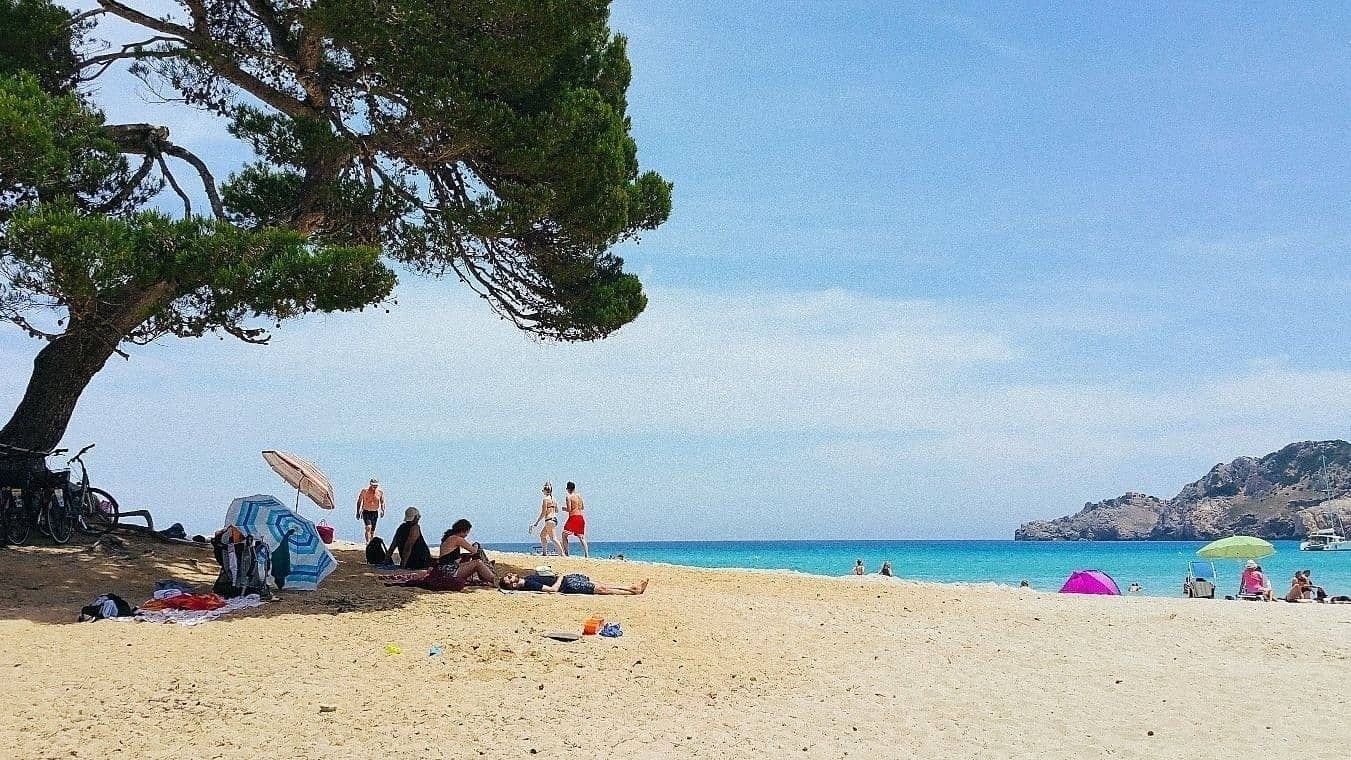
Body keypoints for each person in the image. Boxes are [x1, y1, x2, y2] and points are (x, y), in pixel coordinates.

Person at [437, 518, 496, 586]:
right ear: (463, 530)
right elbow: (474, 550)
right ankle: (494, 579)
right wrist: (476, 544)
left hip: (445, 568)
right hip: (449, 571)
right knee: (478, 562)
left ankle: (489, 576)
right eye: (467, 532)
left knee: (472, 562)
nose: (467, 535)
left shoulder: (449, 538)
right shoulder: (457, 539)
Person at [499, 572, 647, 595]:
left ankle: (631, 587)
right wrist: (560, 577)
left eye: (508, 575)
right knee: (601, 589)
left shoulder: (527, 578)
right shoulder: (529, 584)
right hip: (568, 585)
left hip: (567, 579)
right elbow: (552, 590)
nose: (510, 575)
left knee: (600, 584)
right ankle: (633, 590)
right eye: (509, 578)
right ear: (513, 585)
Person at [530, 482, 564, 556]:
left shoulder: (545, 499)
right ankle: (544, 553)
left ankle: (562, 553)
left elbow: (543, 512)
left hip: (549, 520)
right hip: (554, 520)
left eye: (543, 491)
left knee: (553, 538)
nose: (543, 492)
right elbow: (557, 510)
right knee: (542, 535)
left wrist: (537, 522)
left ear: (546, 491)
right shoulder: (554, 499)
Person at [561, 481, 589, 558]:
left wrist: (563, 509)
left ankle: (567, 553)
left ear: (568, 489)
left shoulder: (568, 497)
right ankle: (586, 554)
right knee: (581, 537)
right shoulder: (579, 496)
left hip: (573, 517)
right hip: (580, 517)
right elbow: (582, 507)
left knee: (564, 535)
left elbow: (569, 509)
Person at [355, 478, 385, 544]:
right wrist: (358, 512)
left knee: (372, 530)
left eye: (376, 485)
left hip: (375, 512)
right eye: (373, 485)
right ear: (370, 484)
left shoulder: (380, 492)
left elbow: (382, 502)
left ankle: (371, 543)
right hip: (366, 511)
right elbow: (359, 501)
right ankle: (367, 542)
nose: (375, 486)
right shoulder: (364, 491)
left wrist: (382, 510)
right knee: (368, 527)